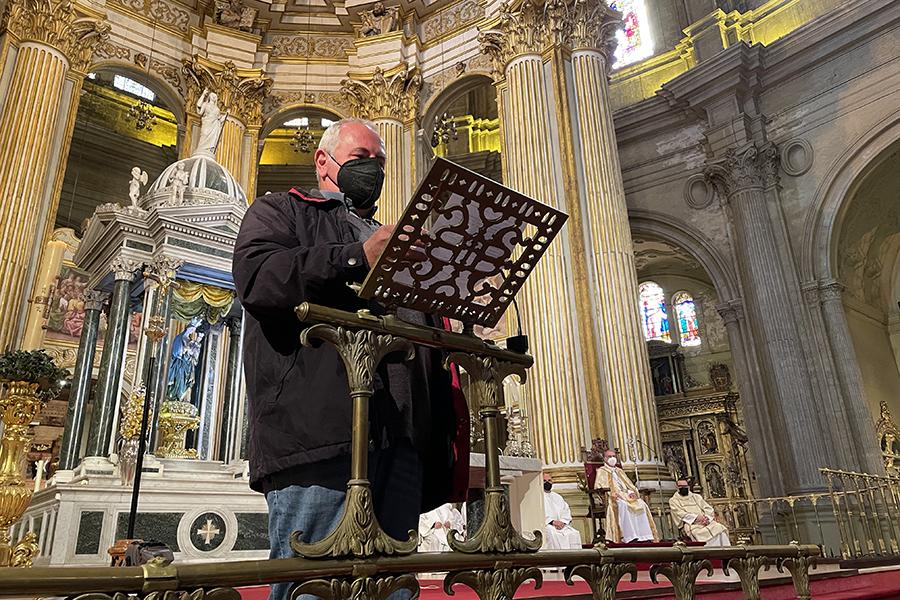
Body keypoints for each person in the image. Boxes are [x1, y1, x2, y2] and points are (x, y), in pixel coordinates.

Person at [232, 118, 468, 600]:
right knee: (316, 587)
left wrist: (455, 297)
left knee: (393, 590)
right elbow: (259, 279)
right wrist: (357, 255)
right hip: (319, 440)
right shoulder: (282, 211)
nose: (374, 171)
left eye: (380, 163)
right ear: (324, 162)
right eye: (362, 160)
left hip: (400, 441)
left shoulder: (398, 239)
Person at [594, 449, 659, 543]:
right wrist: (613, 494)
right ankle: (629, 536)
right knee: (623, 505)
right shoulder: (601, 471)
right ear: (604, 458)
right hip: (613, 497)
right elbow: (599, 486)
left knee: (642, 504)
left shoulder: (619, 471)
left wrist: (631, 492)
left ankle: (644, 536)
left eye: (613, 456)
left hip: (626, 495)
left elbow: (628, 484)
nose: (612, 458)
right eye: (609, 456)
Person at [669, 479, 730, 546]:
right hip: (691, 524)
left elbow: (708, 508)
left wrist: (706, 518)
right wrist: (697, 518)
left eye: (685, 486)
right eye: (681, 486)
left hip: (706, 521)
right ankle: (708, 554)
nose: (684, 488)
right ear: (677, 488)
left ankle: (724, 552)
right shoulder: (673, 500)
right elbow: (679, 513)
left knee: (719, 528)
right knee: (699, 534)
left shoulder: (696, 497)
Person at [542, 473, 582, 550]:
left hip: (561, 525)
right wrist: (552, 522)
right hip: (548, 525)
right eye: (544, 481)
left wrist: (563, 522)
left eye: (549, 480)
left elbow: (566, 511)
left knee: (574, 533)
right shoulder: (539, 496)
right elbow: (539, 513)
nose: (547, 482)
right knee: (552, 533)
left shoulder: (557, 496)